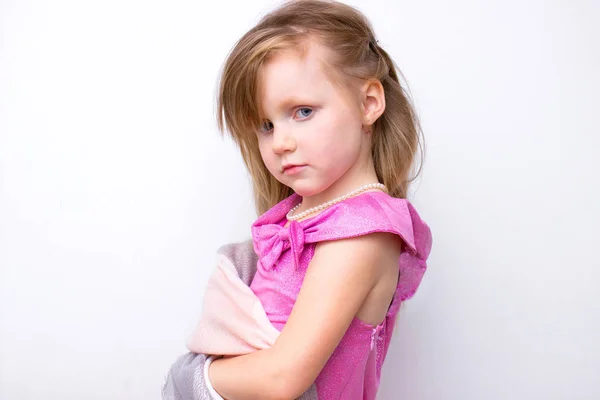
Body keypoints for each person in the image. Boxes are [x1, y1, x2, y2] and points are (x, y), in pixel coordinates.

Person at [205, 1, 433, 398]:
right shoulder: (303, 216)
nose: (281, 142)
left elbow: (282, 378)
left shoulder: (362, 233)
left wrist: (197, 378)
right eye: (265, 124)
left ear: (369, 103)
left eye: (303, 111)